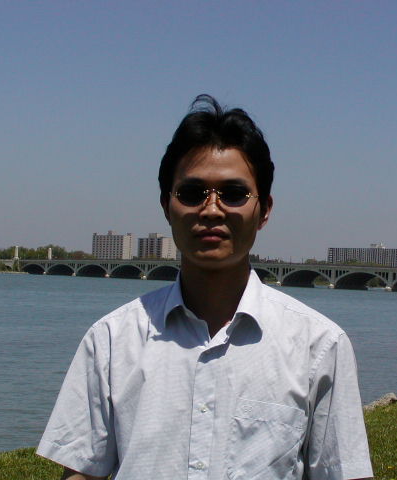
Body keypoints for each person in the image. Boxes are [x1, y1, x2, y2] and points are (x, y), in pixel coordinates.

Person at [37, 94, 373, 480]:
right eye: (192, 194)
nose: (211, 209)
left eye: (233, 194)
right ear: (166, 206)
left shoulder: (320, 346)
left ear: (264, 210)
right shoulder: (111, 340)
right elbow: (82, 472)